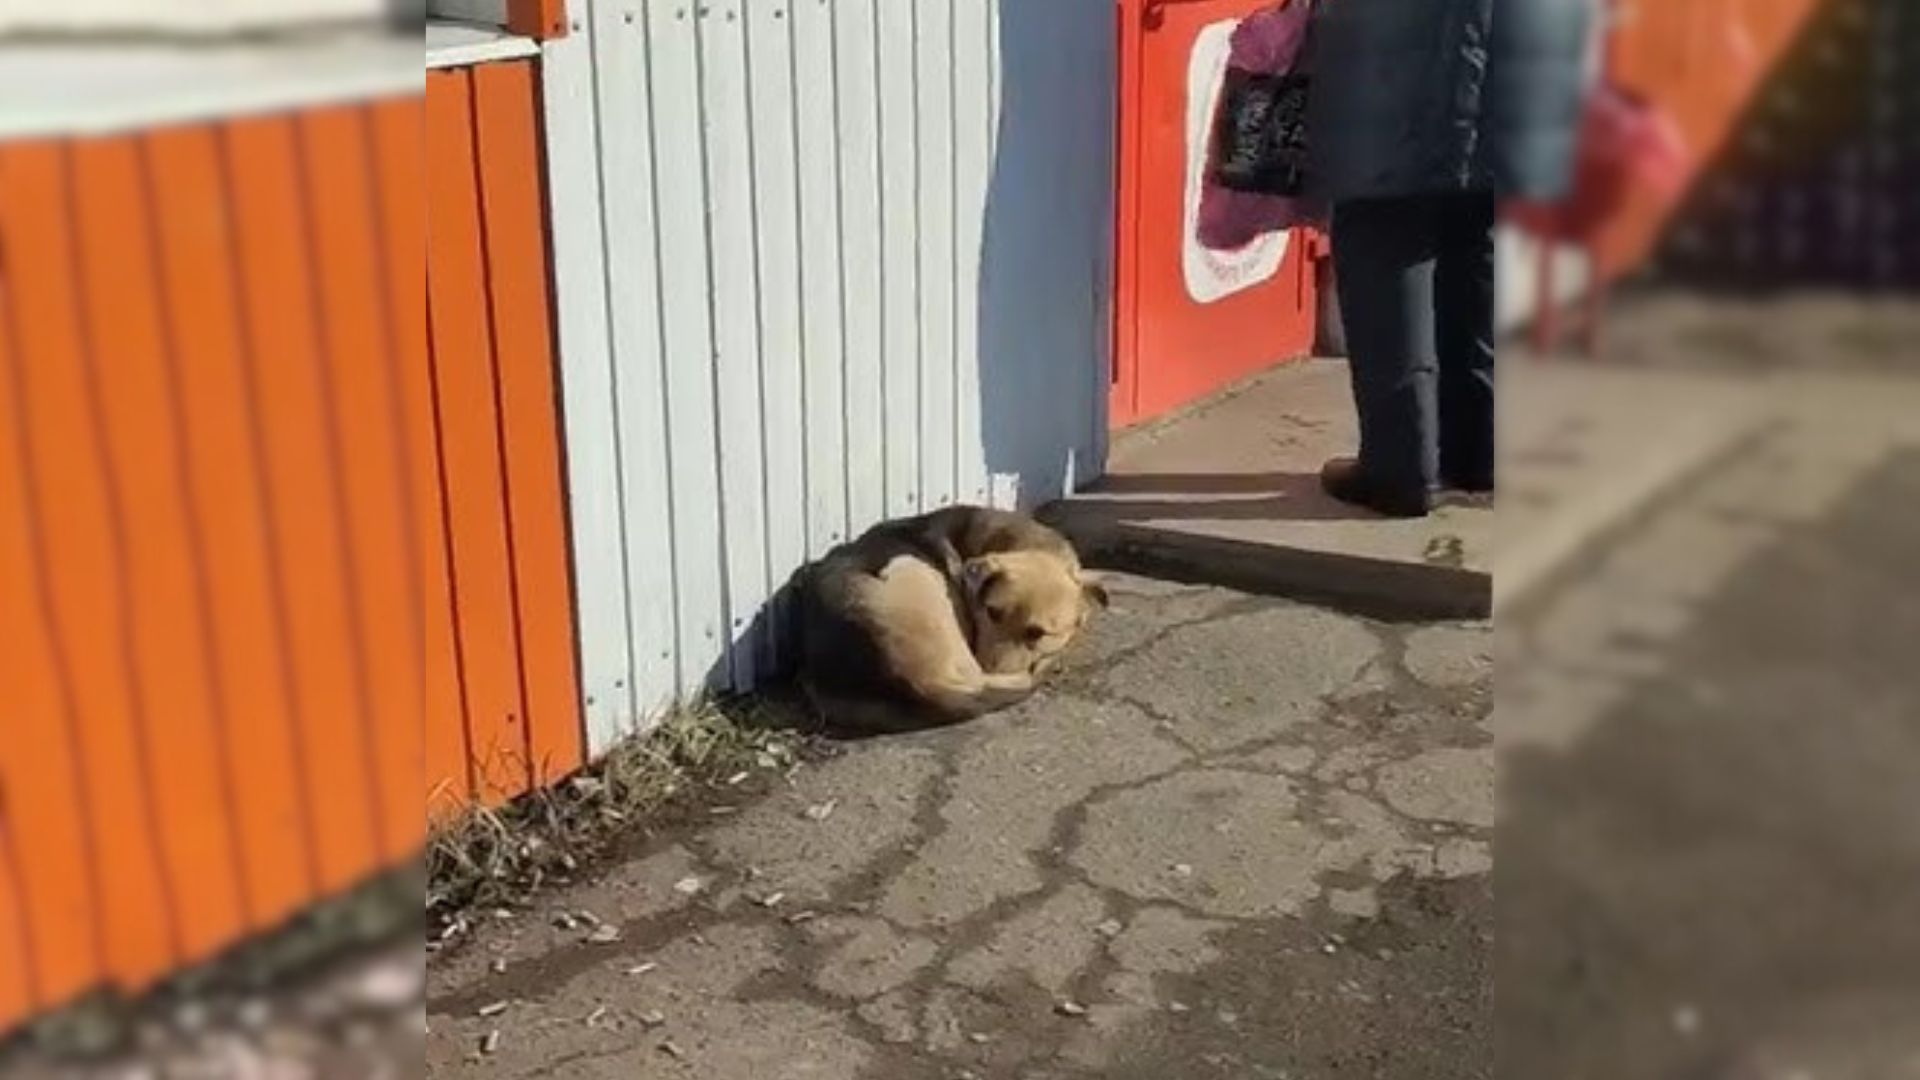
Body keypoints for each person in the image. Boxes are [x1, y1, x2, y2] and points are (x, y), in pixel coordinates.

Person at [1305, 0, 1592, 516]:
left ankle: (1401, 468)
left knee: (1386, 242)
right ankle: (1478, 452)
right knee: (1477, 238)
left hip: (1392, 65)